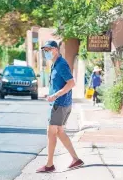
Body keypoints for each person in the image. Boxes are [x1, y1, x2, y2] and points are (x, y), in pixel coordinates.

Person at [36, 41, 83, 173]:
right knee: (60, 132)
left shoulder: (61, 64)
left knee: (51, 132)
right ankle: (75, 159)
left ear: (56, 50)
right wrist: (51, 93)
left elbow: (71, 83)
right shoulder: (56, 64)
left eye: (48, 50)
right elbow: (59, 84)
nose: (46, 52)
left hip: (60, 104)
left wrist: (55, 95)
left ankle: (49, 164)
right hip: (62, 103)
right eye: (44, 50)